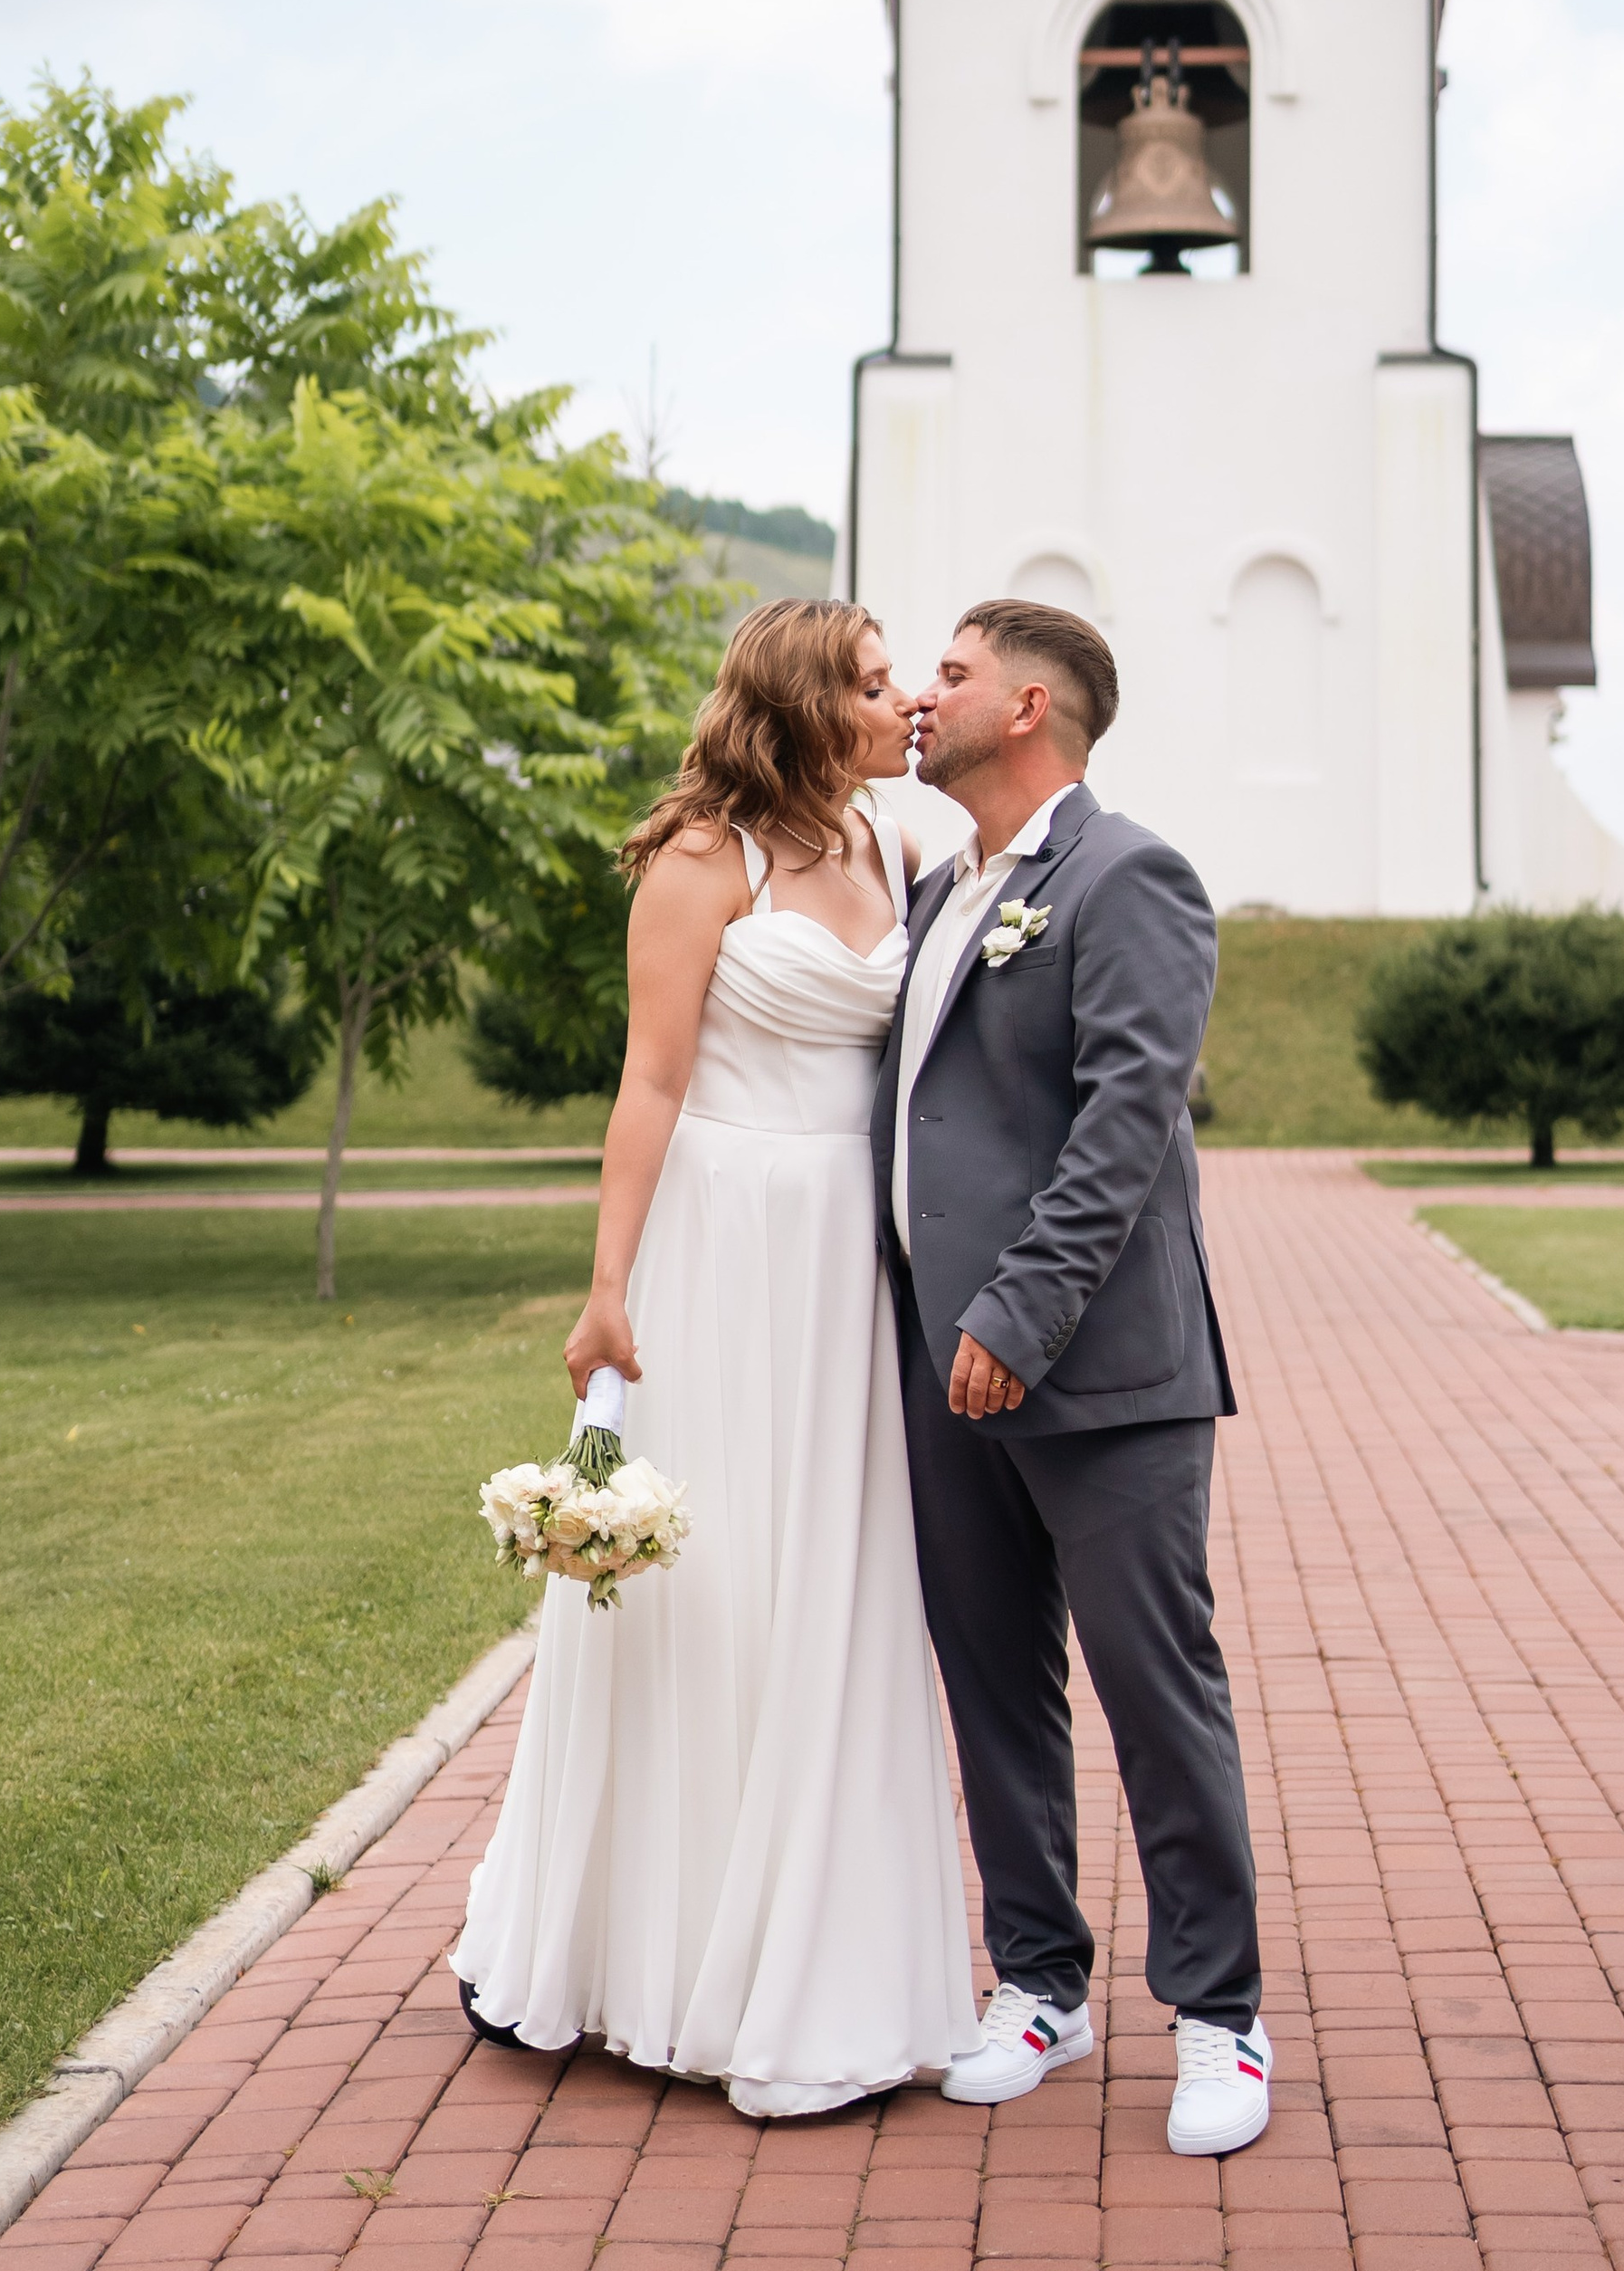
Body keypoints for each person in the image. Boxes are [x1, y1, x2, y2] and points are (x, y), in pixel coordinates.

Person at [450, 601, 978, 2118]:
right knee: (717, 1592)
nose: (902, 708)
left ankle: (821, 1963)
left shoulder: (896, 853)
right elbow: (651, 1078)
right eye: (875, 687)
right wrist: (607, 1290)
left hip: (847, 1267)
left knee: (837, 1588)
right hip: (722, 1248)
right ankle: (639, 1955)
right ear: (806, 707)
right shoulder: (702, 861)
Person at [874, 600, 1270, 2159]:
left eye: (953, 673)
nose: (925, 692)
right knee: (993, 1687)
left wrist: (1015, 1318)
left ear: (1030, 704)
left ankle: (1223, 2018)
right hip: (938, 1363)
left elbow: (1124, 1126)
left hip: (1096, 1371)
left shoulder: (1128, 875)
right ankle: (1042, 1981)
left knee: (1153, 1687)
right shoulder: (935, 886)